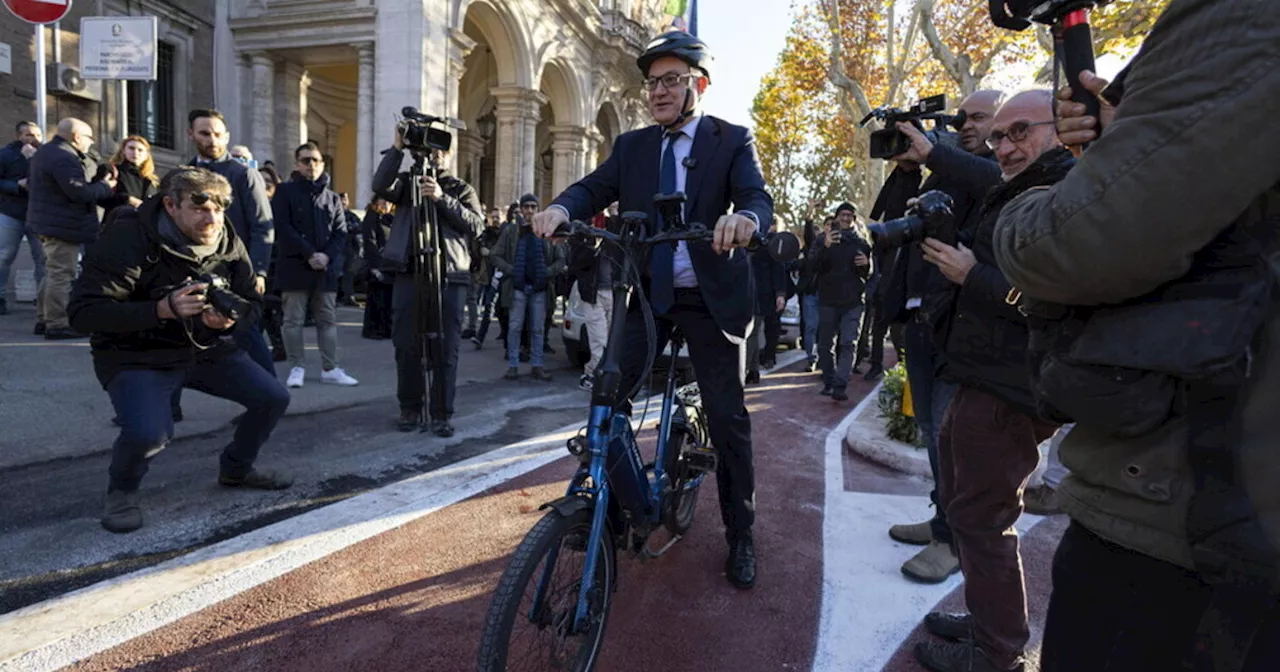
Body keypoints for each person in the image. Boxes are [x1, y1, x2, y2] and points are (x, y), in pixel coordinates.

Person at [994, 2, 1280, 669]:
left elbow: (1080, 239)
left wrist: (1039, 199)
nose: (1002, 148)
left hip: (1193, 520)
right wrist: (1121, 147)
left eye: (1014, 132)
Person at [532, 31, 773, 590]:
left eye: (671, 81)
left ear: (698, 86)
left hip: (710, 299)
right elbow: (594, 188)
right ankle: (613, 511)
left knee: (729, 418)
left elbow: (756, 197)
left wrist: (746, 222)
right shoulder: (635, 146)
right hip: (649, 295)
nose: (658, 92)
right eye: (652, 83)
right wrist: (560, 207)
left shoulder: (732, 140)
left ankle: (741, 534)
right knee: (606, 397)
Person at [912, 90, 1070, 672]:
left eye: (1020, 131)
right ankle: (991, 623)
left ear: (1062, 128)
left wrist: (972, 274)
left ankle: (998, 651)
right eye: (999, 136)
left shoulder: (1063, 192)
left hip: (1010, 387)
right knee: (967, 512)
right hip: (979, 375)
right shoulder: (1021, 183)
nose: (1004, 146)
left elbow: (1050, 301)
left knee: (983, 520)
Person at [68, 167, 292, 534]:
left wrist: (228, 320)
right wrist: (160, 309)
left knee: (272, 397)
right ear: (170, 205)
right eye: (200, 206)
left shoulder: (225, 239)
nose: (212, 217)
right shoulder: (128, 236)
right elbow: (82, 314)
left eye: (220, 207)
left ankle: (236, 469)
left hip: (204, 347)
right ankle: (121, 491)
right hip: (136, 354)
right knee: (149, 433)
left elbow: (252, 302)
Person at [879, 90, 1004, 584]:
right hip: (922, 322)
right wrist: (909, 168)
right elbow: (887, 218)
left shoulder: (1001, 174)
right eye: (962, 117)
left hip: (965, 327)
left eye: (977, 117)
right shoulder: (945, 171)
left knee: (955, 440)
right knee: (934, 433)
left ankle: (954, 540)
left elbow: (994, 182)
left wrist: (935, 153)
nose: (964, 124)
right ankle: (941, 521)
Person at [372, 127, 484, 435]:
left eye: (441, 149)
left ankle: (441, 413)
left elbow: (476, 225)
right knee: (406, 344)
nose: (435, 154)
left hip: (450, 275)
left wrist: (440, 197)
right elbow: (380, 185)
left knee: (445, 348)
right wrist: (396, 148)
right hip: (409, 272)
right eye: (430, 149)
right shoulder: (408, 183)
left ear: (449, 154)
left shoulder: (460, 188)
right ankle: (410, 408)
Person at [186, 109, 276, 373]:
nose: (212, 140)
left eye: (217, 134)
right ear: (190, 134)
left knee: (246, 333)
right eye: (204, 133)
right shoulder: (182, 176)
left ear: (226, 137)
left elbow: (263, 226)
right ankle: (168, 407)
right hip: (189, 269)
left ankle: (271, 399)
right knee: (177, 336)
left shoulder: (243, 175)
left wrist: (258, 271)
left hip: (234, 272)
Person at [272, 141, 358, 389]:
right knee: (293, 321)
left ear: (322, 164)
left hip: (325, 270)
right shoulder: (285, 192)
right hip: (295, 266)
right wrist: (310, 254)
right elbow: (283, 227)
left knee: (327, 320)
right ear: (297, 164)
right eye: (306, 160)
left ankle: (330, 368)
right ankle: (297, 366)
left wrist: (326, 257)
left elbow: (340, 233)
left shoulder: (332, 197)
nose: (312, 165)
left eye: (316, 160)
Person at [26, 118, 117, 340]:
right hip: (63, 225)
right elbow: (79, 193)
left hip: (50, 222)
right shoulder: (64, 157)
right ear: (77, 137)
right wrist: (105, 186)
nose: (91, 142)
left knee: (52, 271)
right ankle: (57, 323)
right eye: (89, 138)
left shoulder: (48, 151)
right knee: (61, 274)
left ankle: (44, 317)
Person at [491, 196, 566, 381]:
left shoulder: (547, 231)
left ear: (538, 209)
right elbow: (495, 255)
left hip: (540, 287)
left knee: (538, 328)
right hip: (518, 286)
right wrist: (512, 270)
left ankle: (537, 365)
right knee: (515, 327)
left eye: (533, 207)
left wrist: (546, 273)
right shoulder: (511, 231)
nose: (530, 210)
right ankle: (513, 365)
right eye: (526, 207)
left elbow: (561, 258)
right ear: (521, 209)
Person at [813, 203, 872, 402]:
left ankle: (840, 385)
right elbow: (812, 266)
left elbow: (868, 273)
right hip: (828, 300)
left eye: (850, 215)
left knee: (848, 343)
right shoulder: (823, 240)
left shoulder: (862, 243)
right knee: (824, 346)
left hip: (853, 301)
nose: (846, 218)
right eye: (843, 215)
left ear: (854, 219)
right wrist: (826, 247)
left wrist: (868, 265)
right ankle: (829, 381)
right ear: (836, 217)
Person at [0, 121, 44, 317]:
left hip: (39, 214)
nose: (34, 139)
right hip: (11, 212)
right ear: (19, 136)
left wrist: (33, 160)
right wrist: (16, 185)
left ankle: (43, 299)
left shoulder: (45, 155)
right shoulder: (6, 154)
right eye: (29, 135)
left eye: (37, 135)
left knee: (43, 258)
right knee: (3, 256)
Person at [470, 205, 504, 349]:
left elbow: (500, 254)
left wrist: (490, 253)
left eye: (498, 217)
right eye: (493, 217)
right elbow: (480, 251)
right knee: (488, 308)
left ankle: (507, 337)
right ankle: (480, 338)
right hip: (488, 276)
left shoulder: (505, 234)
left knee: (503, 310)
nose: (495, 220)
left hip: (503, 276)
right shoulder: (486, 234)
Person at [360, 197, 395, 340]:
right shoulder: (372, 217)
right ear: (376, 203)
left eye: (389, 202)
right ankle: (375, 329)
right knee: (377, 297)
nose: (386, 204)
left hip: (389, 263)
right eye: (383, 202)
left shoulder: (390, 219)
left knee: (388, 297)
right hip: (377, 264)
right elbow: (370, 242)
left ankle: (387, 328)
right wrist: (375, 266)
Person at [105, 135, 160, 215]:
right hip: (119, 221)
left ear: (146, 155)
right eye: (131, 148)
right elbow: (101, 197)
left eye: (140, 150)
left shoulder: (153, 181)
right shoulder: (112, 170)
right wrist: (127, 199)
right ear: (123, 151)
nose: (135, 153)